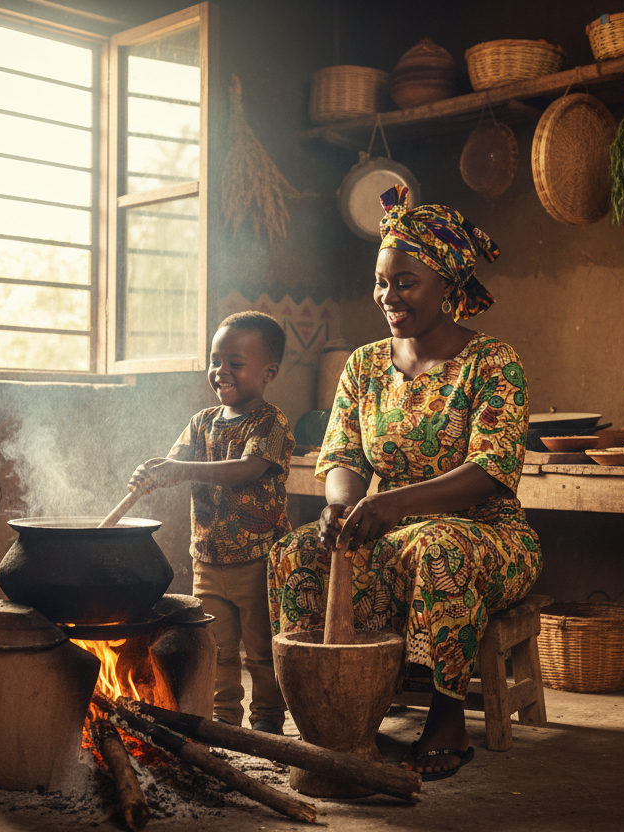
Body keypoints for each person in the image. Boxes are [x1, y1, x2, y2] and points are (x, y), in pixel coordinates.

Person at [267, 185, 541, 780]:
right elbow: (341, 455)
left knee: (437, 550)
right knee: (297, 551)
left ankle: (446, 716)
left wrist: (389, 504)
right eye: (381, 282)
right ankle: (333, 703)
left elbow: (492, 471)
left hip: (485, 534)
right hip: (389, 527)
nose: (388, 297)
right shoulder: (363, 366)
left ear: (446, 282)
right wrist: (342, 508)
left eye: (405, 282)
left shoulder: (492, 362)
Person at [130, 311, 294, 734]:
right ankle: (224, 720)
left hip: (258, 562)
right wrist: (154, 471)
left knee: (260, 651)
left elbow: (246, 469)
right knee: (216, 649)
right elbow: (176, 463)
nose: (221, 371)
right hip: (207, 560)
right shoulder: (201, 423)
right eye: (215, 360)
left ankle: (268, 723)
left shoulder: (270, 421)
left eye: (235, 363)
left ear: (269, 371)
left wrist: (182, 470)